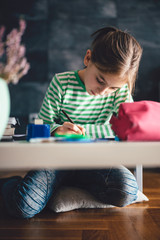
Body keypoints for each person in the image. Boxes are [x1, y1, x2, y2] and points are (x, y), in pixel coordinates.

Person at [1, 26, 142, 218]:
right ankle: (13, 183)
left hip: (96, 161)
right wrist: (57, 129)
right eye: (100, 80)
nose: (103, 91)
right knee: (23, 205)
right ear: (88, 58)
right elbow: (43, 124)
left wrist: (85, 133)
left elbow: (125, 130)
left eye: (113, 88)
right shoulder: (62, 83)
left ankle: (64, 185)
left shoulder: (121, 92)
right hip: (56, 160)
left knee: (127, 190)